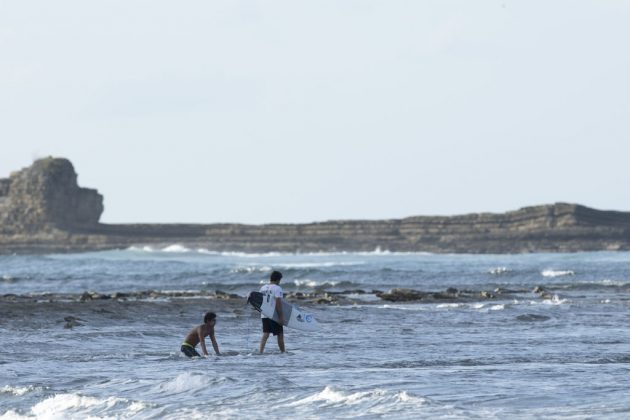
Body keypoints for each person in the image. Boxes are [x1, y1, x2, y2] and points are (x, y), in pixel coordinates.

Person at [259, 270, 285, 353]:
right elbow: (278, 304)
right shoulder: (277, 288)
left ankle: (260, 351)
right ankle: (283, 352)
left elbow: (260, 301)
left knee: (266, 334)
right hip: (274, 315)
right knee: (280, 334)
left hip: (264, 314)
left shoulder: (262, 288)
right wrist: (281, 317)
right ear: (278, 279)